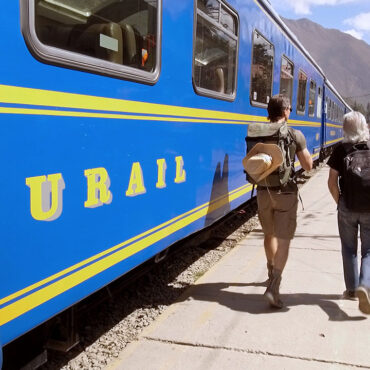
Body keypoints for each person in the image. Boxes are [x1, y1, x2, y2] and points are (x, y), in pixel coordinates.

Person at [245, 95, 313, 308]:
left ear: (269, 111)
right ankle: (274, 285)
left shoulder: (257, 132)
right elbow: (308, 165)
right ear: (285, 111)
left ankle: (269, 269)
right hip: (286, 193)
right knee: (283, 240)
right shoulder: (295, 134)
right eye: (290, 109)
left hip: (264, 191)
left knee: (269, 234)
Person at [327, 111, 370, 314]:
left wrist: (340, 202)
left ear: (344, 129)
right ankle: (365, 285)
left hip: (347, 205)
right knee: (369, 250)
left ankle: (352, 290)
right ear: (364, 127)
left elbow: (331, 183)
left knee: (349, 249)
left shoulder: (340, 150)